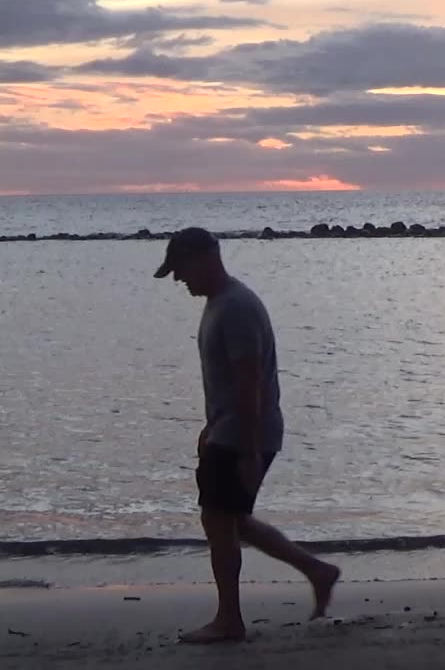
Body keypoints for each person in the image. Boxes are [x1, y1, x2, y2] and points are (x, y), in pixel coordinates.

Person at [154, 227, 340, 644]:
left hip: (242, 432)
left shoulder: (236, 307)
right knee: (232, 521)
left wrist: (250, 449)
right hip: (231, 428)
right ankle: (317, 570)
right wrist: (210, 426)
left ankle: (229, 621)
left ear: (206, 258)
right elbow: (228, 383)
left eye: (181, 269)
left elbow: (249, 382)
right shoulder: (221, 303)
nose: (178, 279)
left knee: (218, 520)